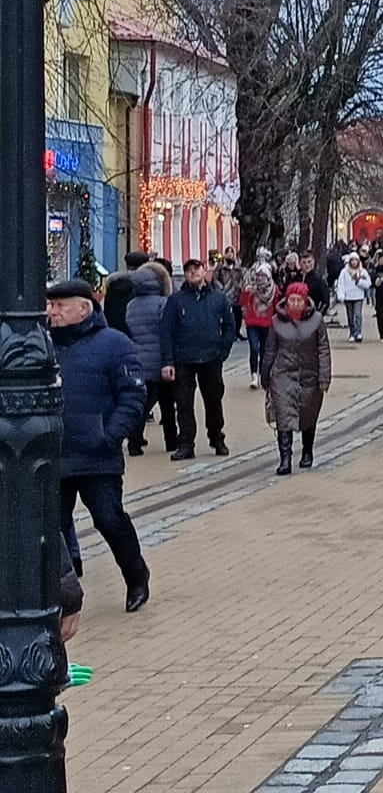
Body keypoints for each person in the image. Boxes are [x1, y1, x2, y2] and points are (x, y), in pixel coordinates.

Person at [48, 279, 151, 613]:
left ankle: (136, 574)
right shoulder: (42, 345)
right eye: (51, 305)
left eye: (61, 305)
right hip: (52, 454)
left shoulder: (113, 343)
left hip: (98, 455)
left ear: (84, 307)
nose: (53, 311)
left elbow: (133, 394)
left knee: (109, 519)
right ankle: (59, 595)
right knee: (51, 529)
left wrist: (112, 434)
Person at [159, 258, 235, 460]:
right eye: (188, 270)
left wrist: (223, 350)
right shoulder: (176, 300)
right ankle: (186, 444)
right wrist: (167, 361)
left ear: (204, 271)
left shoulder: (218, 299)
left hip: (211, 359)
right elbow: (166, 332)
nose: (192, 273)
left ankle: (217, 437)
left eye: (196, 269)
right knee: (184, 404)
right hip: (184, 359)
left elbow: (230, 326)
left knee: (213, 401)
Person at [261, 281, 332, 475]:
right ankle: (285, 459)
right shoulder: (277, 321)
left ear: (305, 301)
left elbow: (323, 349)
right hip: (283, 375)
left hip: (310, 376)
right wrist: (265, 376)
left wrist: (324, 377)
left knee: (307, 416)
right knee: (284, 417)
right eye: (291, 299)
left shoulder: (316, 320)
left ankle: (307, 451)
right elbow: (269, 350)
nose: (295, 303)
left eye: (298, 300)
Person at [122, 261, 176, 455]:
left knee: (142, 406)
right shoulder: (163, 303)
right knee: (167, 404)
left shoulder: (131, 305)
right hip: (161, 360)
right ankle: (172, 441)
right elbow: (167, 331)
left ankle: (134, 443)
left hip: (140, 359)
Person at [240, 265, 278, 389]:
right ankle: (254, 376)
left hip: (267, 323)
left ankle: (262, 374)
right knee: (254, 348)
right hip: (252, 323)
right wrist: (246, 292)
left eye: (263, 275)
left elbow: (278, 305)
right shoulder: (250, 288)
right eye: (258, 275)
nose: (260, 278)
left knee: (264, 350)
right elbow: (242, 302)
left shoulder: (274, 289)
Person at [102, 250, 150, 336]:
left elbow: (107, 311)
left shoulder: (113, 285)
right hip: (136, 333)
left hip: (115, 333)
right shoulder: (143, 285)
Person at [336, 253, 372, 342]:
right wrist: (341, 295)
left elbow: (368, 284)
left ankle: (358, 332)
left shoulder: (362, 271)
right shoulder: (344, 272)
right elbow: (341, 284)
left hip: (358, 296)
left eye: (356, 260)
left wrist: (359, 281)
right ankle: (352, 333)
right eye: (352, 260)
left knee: (357, 315)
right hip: (348, 297)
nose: (354, 262)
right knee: (350, 316)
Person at [213, 249, 245, 340]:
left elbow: (242, 278)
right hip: (225, 293)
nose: (230, 255)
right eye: (228, 253)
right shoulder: (220, 266)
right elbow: (215, 278)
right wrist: (221, 287)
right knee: (227, 315)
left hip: (236, 294)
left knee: (238, 315)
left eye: (232, 253)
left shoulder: (238, 267)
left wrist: (240, 286)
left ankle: (237, 332)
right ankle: (227, 333)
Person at [298, 252, 331, 317]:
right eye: (304, 262)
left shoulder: (319, 280)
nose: (307, 265)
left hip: (312, 314)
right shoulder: (295, 279)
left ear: (313, 262)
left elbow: (325, 301)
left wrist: (319, 315)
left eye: (309, 262)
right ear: (300, 264)